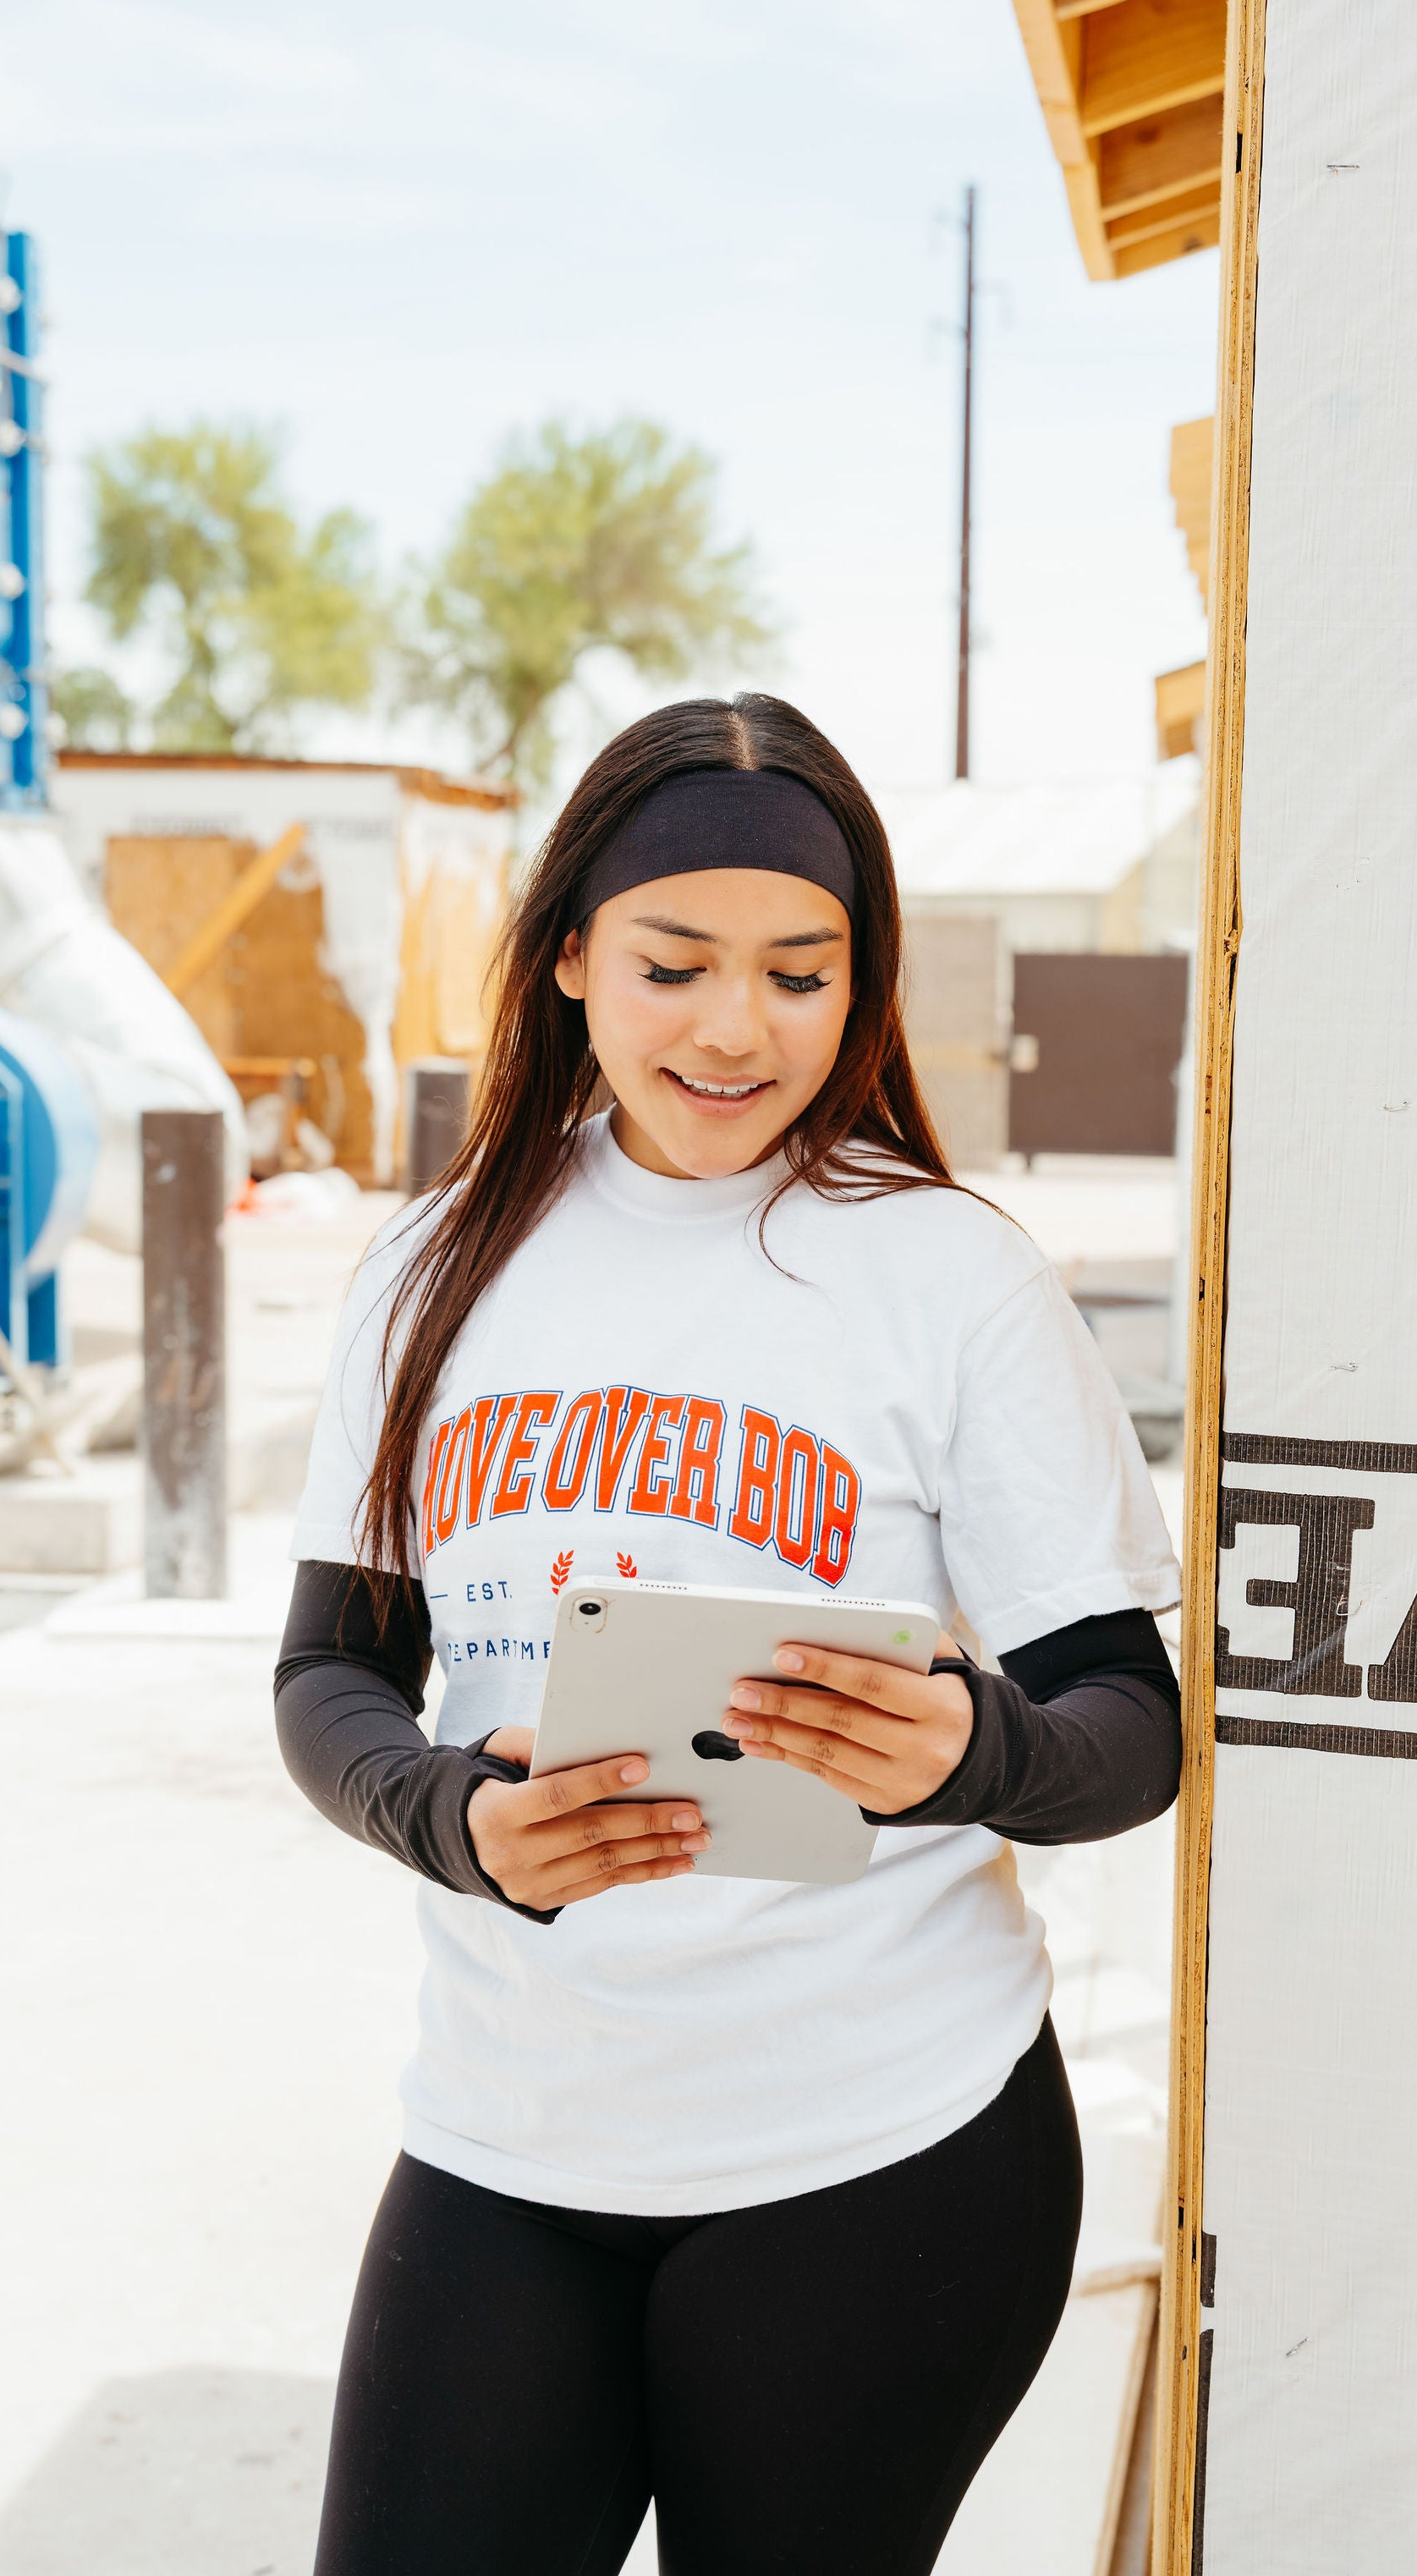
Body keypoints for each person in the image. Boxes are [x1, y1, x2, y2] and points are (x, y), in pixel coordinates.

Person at [275, 691, 1182, 2576]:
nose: (733, 1026)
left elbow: (1130, 1724)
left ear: (861, 989)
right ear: (565, 967)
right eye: (675, 962)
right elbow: (330, 1681)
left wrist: (973, 1751)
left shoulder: (946, 1274)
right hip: (510, 2138)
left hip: (882, 2150)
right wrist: (454, 1821)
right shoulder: (430, 1267)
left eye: (799, 972)